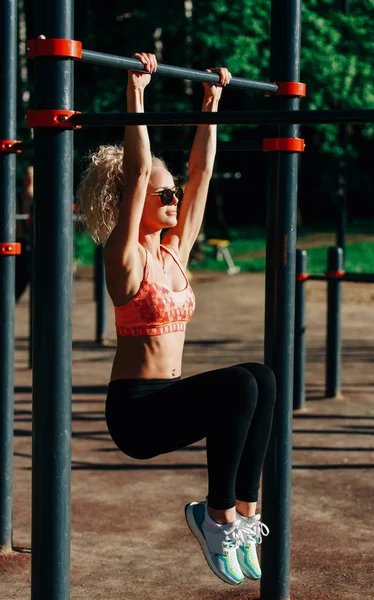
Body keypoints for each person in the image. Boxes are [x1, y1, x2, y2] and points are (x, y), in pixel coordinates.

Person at [76, 52, 276, 586]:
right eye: (163, 194)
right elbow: (139, 171)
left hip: (171, 396)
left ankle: (243, 513)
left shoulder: (173, 253)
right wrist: (135, 92)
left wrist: (211, 104)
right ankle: (214, 518)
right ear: (134, 200)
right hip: (137, 414)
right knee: (238, 383)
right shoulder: (127, 259)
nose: (174, 198)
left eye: (174, 194)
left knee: (261, 377)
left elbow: (201, 171)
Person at [15, 165, 34, 302]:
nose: (30, 179)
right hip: (20, 241)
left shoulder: (40, 198)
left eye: (32, 176)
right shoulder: (16, 197)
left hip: (35, 243)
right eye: (27, 176)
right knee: (20, 276)